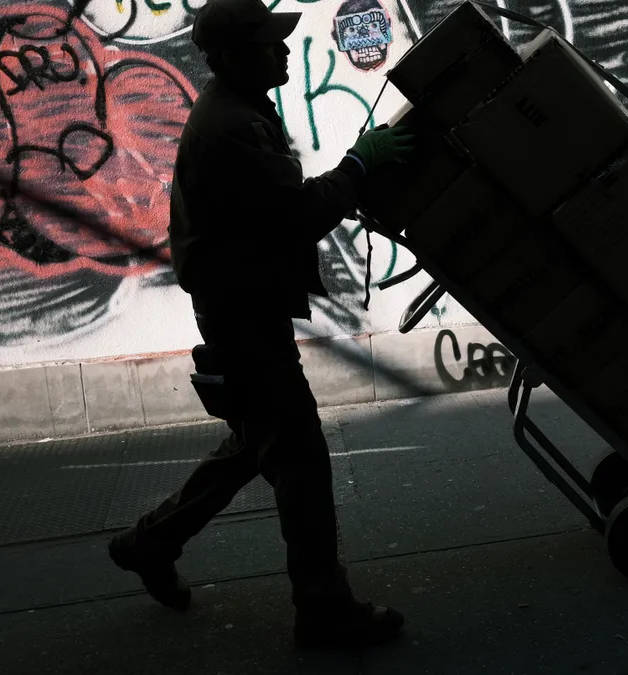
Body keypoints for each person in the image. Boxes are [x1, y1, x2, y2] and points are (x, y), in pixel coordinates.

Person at [106, 0, 415, 651]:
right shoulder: (232, 128)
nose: (285, 51)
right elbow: (295, 214)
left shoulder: (239, 112)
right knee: (300, 460)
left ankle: (150, 542)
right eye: (271, 43)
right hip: (244, 318)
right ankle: (325, 609)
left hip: (241, 310)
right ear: (236, 55)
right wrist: (360, 166)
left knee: (256, 444)